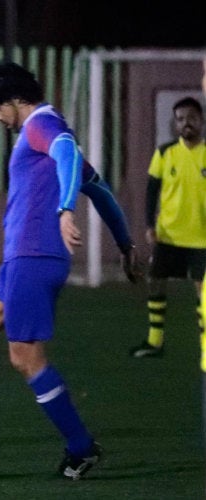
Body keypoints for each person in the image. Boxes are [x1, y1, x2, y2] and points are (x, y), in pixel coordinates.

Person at [0, 61, 138, 480]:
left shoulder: (42, 124)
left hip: (34, 256)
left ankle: (81, 447)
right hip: (21, 258)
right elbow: (99, 189)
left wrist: (63, 211)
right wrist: (126, 243)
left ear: (14, 100)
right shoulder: (44, 135)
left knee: (26, 357)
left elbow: (62, 148)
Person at [128, 97, 206, 358]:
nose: (186, 123)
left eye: (192, 118)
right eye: (181, 119)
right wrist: (150, 224)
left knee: (202, 292)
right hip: (169, 234)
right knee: (156, 281)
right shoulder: (165, 153)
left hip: (201, 238)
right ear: (175, 123)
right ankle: (155, 341)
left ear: (201, 121)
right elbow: (152, 191)